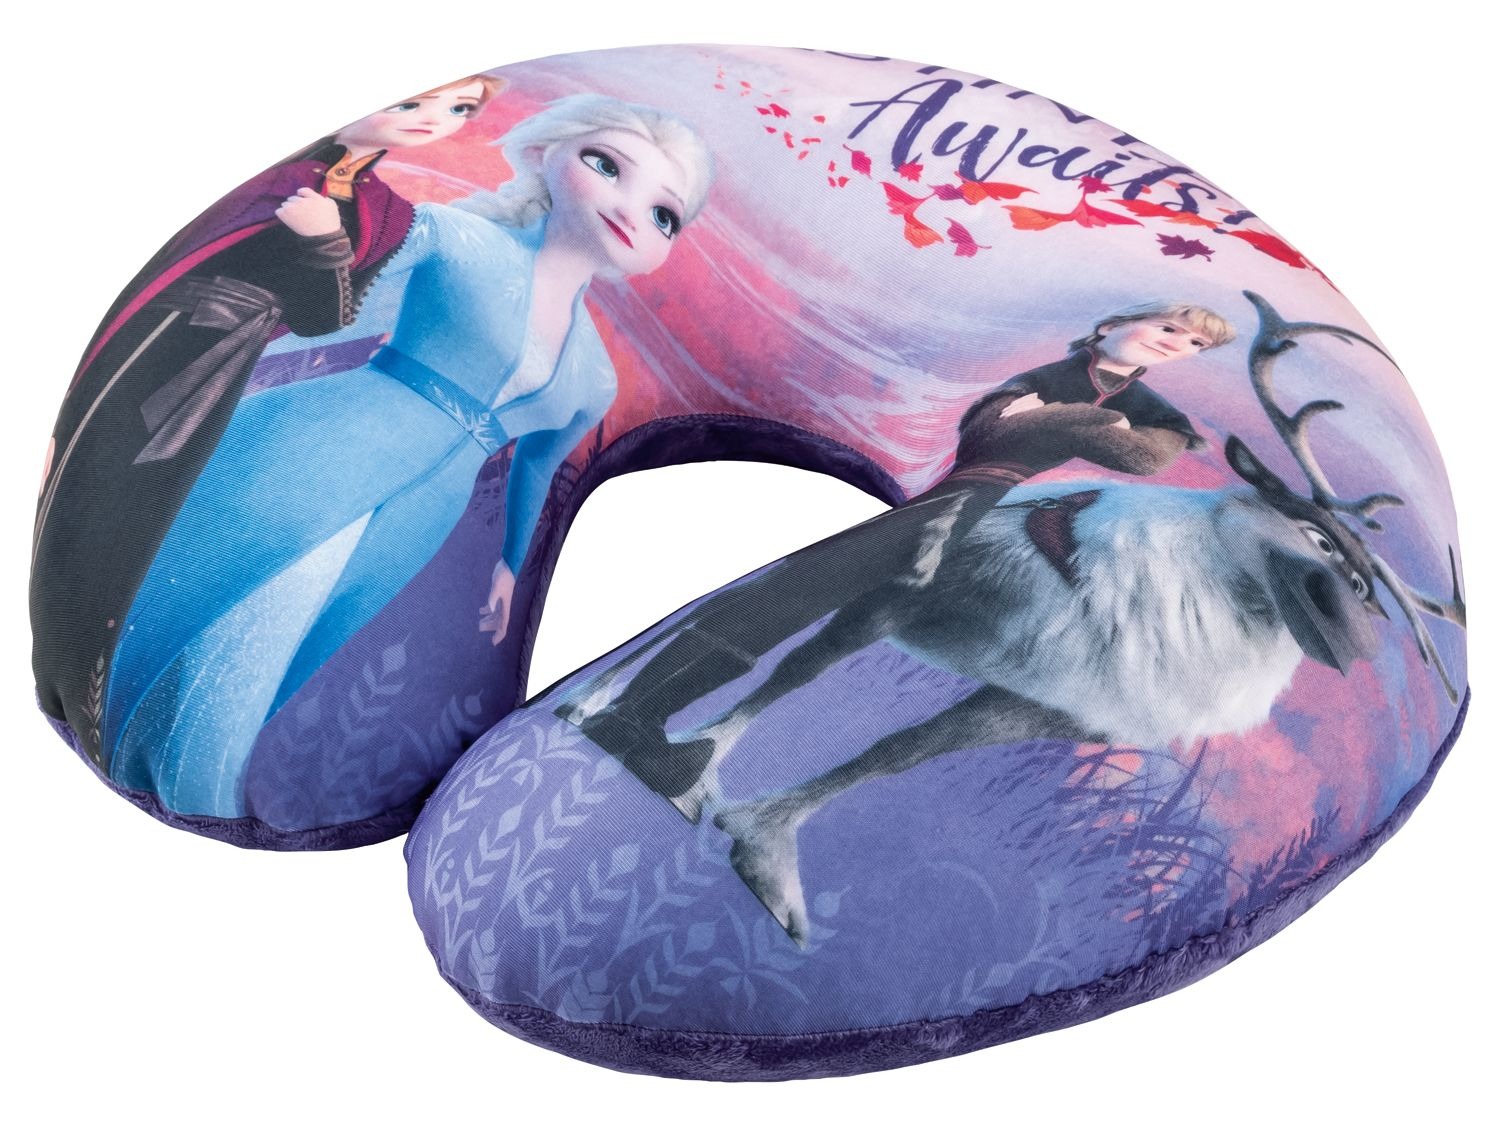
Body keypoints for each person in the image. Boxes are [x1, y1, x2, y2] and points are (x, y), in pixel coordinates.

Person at [99, 93, 714, 817]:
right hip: (334, 441)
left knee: (306, 638)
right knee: (248, 620)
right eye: (605, 165)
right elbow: (342, 291)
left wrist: (511, 565)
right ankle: (190, 778)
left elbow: (537, 467)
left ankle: (195, 772)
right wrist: (324, 242)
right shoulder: (461, 240)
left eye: (664, 215)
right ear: (546, 155)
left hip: (425, 509)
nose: (629, 209)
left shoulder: (592, 374)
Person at [561, 302, 1234, 801]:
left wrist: (1065, 418)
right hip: (954, 494)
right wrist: (1092, 422)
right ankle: (633, 711)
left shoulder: (1142, 402)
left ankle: (638, 712)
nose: (1176, 343)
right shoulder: (1060, 371)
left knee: (797, 603)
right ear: (1115, 321)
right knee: (788, 598)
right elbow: (990, 428)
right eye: (1170, 326)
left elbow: (1144, 456)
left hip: (970, 505)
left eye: (1194, 344)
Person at [31, 74, 505, 764]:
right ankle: (83, 670)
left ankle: (107, 678)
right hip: (159, 347)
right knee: (101, 492)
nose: (432, 121)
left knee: (145, 515)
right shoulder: (280, 179)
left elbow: (325, 316)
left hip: (217, 365)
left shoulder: (383, 211)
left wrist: (325, 242)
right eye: (415, 103)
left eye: (460, 109)